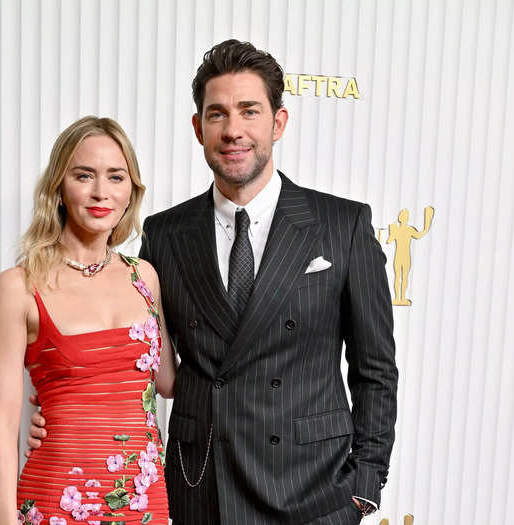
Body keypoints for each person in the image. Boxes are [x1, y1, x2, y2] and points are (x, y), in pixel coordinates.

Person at [28, 40, 398, 525]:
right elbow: (137, 353)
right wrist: (66, 414)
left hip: (314, 492)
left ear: (278, 122)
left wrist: (364, 486)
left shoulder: (341, 225)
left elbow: (375, 370)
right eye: (218, 114)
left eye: (249, 111)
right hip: (201, 487)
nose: (233, 130)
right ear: (199, 128)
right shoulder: (164, 233)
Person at [0, 116, 175, 525]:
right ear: (58, 187)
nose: (101, 192)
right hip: (57, 496)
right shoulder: (17, 287)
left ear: (131, 192)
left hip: (145, 503)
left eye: (116, 177)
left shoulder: (144, 277)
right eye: (84, 175)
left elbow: (168, 382)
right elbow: (1, 430)